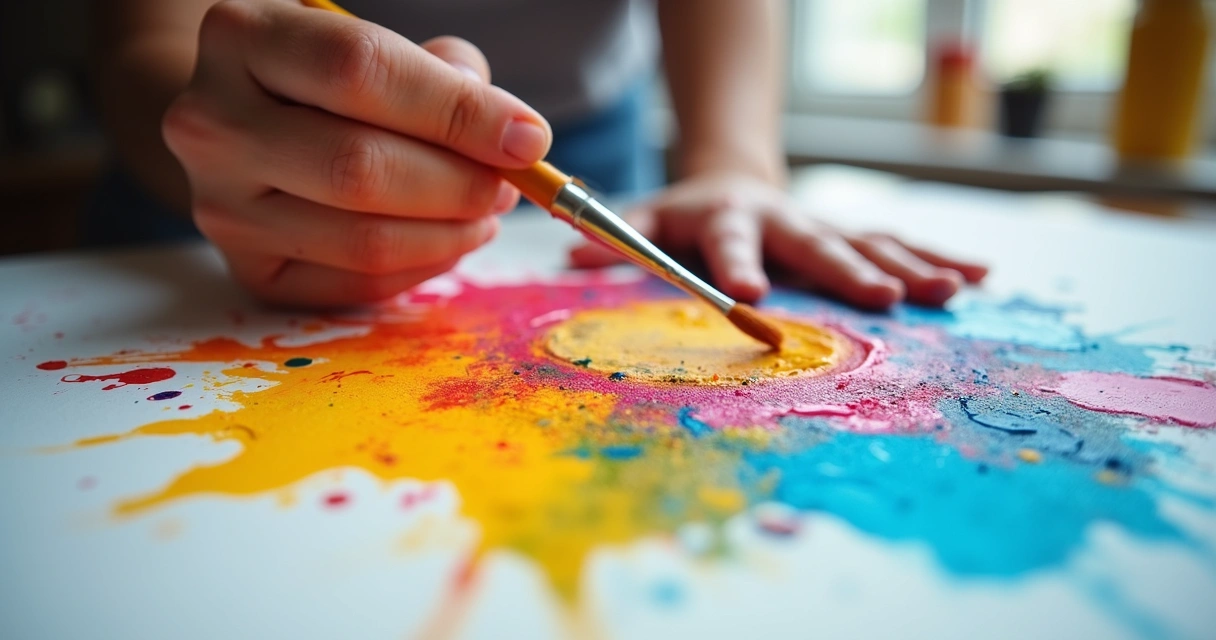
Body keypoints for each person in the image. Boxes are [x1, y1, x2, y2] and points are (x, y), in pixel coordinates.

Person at [95, 0, 986, 309]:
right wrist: (196, 130)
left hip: (602, 150)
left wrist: (736, 162)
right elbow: (151, 37)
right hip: (228, 173)